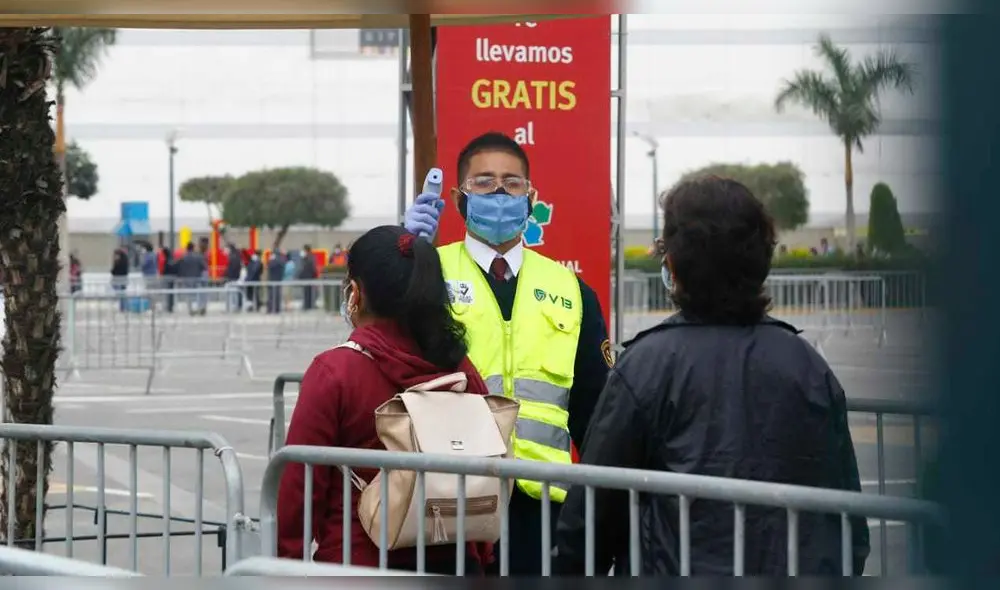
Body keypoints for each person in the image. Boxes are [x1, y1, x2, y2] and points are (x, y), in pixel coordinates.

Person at [552, 176, 870, 576]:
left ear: (674, 262)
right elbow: (848, 519)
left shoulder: (647, 365)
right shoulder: (808, 364)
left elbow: (593, 517)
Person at [402, 131, 612, 575]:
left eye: (512, 184)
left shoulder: (571, 290)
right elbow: (372, 334)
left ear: (530, 198)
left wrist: (598, 511)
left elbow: (596, 415)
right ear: (458, 198)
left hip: (543, 505)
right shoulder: (427, 273)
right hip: (448, 499)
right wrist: (399, 256)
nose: (499, 193)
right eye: (484, 182)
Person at [277, 225, 493, 574]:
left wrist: (285, 567)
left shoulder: (336, 371)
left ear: (355, 293)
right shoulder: (461, 370)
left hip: (356, 566)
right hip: (453, 562)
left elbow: (300, 486)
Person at [176, 242, 208, 316]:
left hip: (187, 279)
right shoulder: (198, 257)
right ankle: (200, 308)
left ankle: (190, 309)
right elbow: (204, 267)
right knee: (199, 294)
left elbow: (180, 268)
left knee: (189, 295)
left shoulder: (183, 257)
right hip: (197, 278)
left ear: (187, 248)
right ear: (193, 248)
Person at [297, 244, 319, 310]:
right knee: (307, 292)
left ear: (306, 250)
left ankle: (308, 305)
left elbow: (311, 268)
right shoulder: (306, 258)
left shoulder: (310, 258)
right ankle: (307, 305)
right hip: (306, 278)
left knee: (308, 292)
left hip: (309, 278)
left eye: (303, 250)